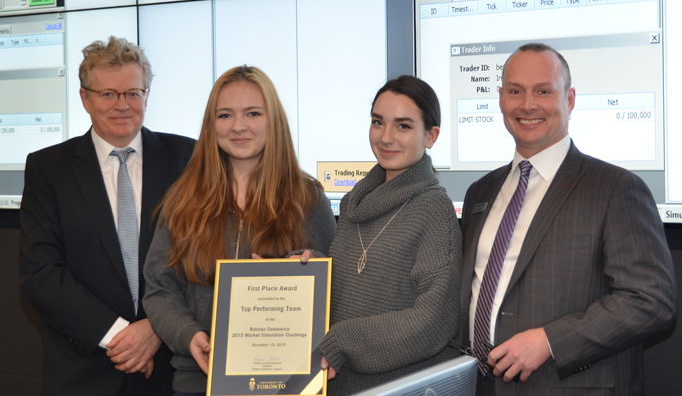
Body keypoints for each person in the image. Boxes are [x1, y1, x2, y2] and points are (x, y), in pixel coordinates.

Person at [459, 43, 676, 395]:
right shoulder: (479, 193)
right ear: (500, 99)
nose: (528, 104)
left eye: (543, 91)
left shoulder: (616, 188)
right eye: (516, 91)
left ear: (570, 99)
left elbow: (650, 300)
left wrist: (550, 341)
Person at [143, 65, 336, 395]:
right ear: (211, 124)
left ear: (272, 120)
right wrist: (188, 335)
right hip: (197, 382)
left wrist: (305, 265)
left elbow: (338, 283)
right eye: (225, 116)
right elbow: (159, 288)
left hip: (286, 385)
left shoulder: (306, 197)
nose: (239, 126)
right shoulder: (183, 198)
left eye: (253, 113)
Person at [20, 36, 196, 396]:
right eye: (108, 94)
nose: (122, 105)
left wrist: (156, 328)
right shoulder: (48, 168)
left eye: (133, 92)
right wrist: (122, 337)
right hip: (85, 372)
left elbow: (205, 259)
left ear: (147, 95)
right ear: (85, 98)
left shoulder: (188, 158)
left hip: (173, 371)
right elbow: (41, 274)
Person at [317, 75, 462, 395]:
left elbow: (434, 322)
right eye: (378, 122)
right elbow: (352, 284)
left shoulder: (434, 209)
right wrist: (307, 270)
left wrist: (344, 342)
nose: (386, 137)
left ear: (431, 136)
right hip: (341, 385)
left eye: (403, 126)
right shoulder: (355, 204)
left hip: (394, 388)